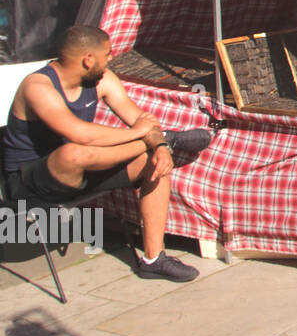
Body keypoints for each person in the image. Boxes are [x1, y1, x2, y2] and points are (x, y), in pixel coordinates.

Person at [0, 26, 212, 281]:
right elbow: (81, 134)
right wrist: (145, 136)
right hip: (31, 184)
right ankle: (170, 137)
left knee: (152, 162)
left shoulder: (103, 79)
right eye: (107, 54)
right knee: (73, 153)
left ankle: (154, 260)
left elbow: (141, 119)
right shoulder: (38, 86)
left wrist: (159, 147)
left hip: (86, 171)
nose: (111, 58)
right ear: (88, 59)